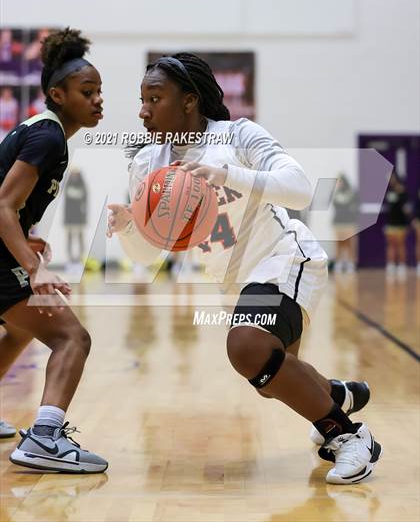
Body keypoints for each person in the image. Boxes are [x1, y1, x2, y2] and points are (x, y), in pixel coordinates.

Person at [108, 53, 382, 484]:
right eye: (141, 99)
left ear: (189, 101)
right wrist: (129, 228)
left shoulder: (238, 136)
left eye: (154, 98)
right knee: (271, 379)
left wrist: (227, 175)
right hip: (234, 281)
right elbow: (147, 255)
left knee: (247, 348)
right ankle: (336, 395)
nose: (143, 110)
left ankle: (349, 438)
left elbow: (299, 189)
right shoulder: (147, 164)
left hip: (284, 258)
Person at [0, 28, 107, 473]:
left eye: (100, 91)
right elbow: (3, 204)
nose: (98, 99)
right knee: (72, 338)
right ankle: (44, 438)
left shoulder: (42, 131)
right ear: (57, 95)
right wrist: (33, 265)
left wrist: (24, 235)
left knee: (22, 332)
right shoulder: (48, 137)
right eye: (88, 91)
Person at [383, 172, 409, 277]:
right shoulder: (388, 191)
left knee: (400, 245)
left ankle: (402, 265)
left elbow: (406, 207)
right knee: (390, 245)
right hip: (390, 222)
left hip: (400, 223)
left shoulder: (402, 190)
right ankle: (391, 265)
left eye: (391, 177)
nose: (390, 180)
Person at [332, 173, 359, 273]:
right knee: (339, 244)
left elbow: (356, 208)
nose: (339, 184)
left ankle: (350, 263)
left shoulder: (352, 194)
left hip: (349, 223)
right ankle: (339, 263)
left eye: (340, 181)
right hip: (339, 223)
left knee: (349, 244)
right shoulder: (336, 194)